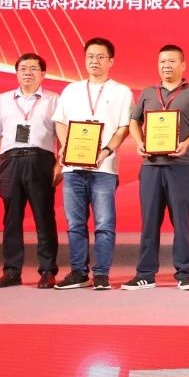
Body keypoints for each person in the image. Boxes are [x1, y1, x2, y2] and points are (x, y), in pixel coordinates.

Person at [123, 44, 189, 290]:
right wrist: (140, 142)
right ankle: (145, 274)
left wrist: (187, 142)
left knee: (181, 222)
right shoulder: (148, 93)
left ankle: (185, 274)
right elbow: (134, 121)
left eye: (172, 61)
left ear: (183, 65)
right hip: (151, 166)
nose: (166, 65)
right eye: (162, 61)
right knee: (149, 222)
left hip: (180, 166)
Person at [53, 37, 133, 290]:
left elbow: (124, 127)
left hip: (104, 169)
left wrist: (106, 151)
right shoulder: (71, 90)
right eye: (90, 56)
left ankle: (101, 274)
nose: (94, 61)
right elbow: (60, 121)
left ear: (111, 61)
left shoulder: (122, 92)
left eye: (100, 56)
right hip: (73, 168)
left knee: (104, 224)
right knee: (75, 224)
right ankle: (78, 272)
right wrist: (65, 145)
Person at [0, 53, 60, 288]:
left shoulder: (53, 100)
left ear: (43, 74)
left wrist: (59, 163)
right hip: (10, 161)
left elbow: (62, 134)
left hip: (40, 160)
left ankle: (47, 271)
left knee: (44, 217)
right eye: (23, 68)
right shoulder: (3, 100)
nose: (28, 72)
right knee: (11, 219)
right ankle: (11, 271)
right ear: (17, 73)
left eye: (33, 68)